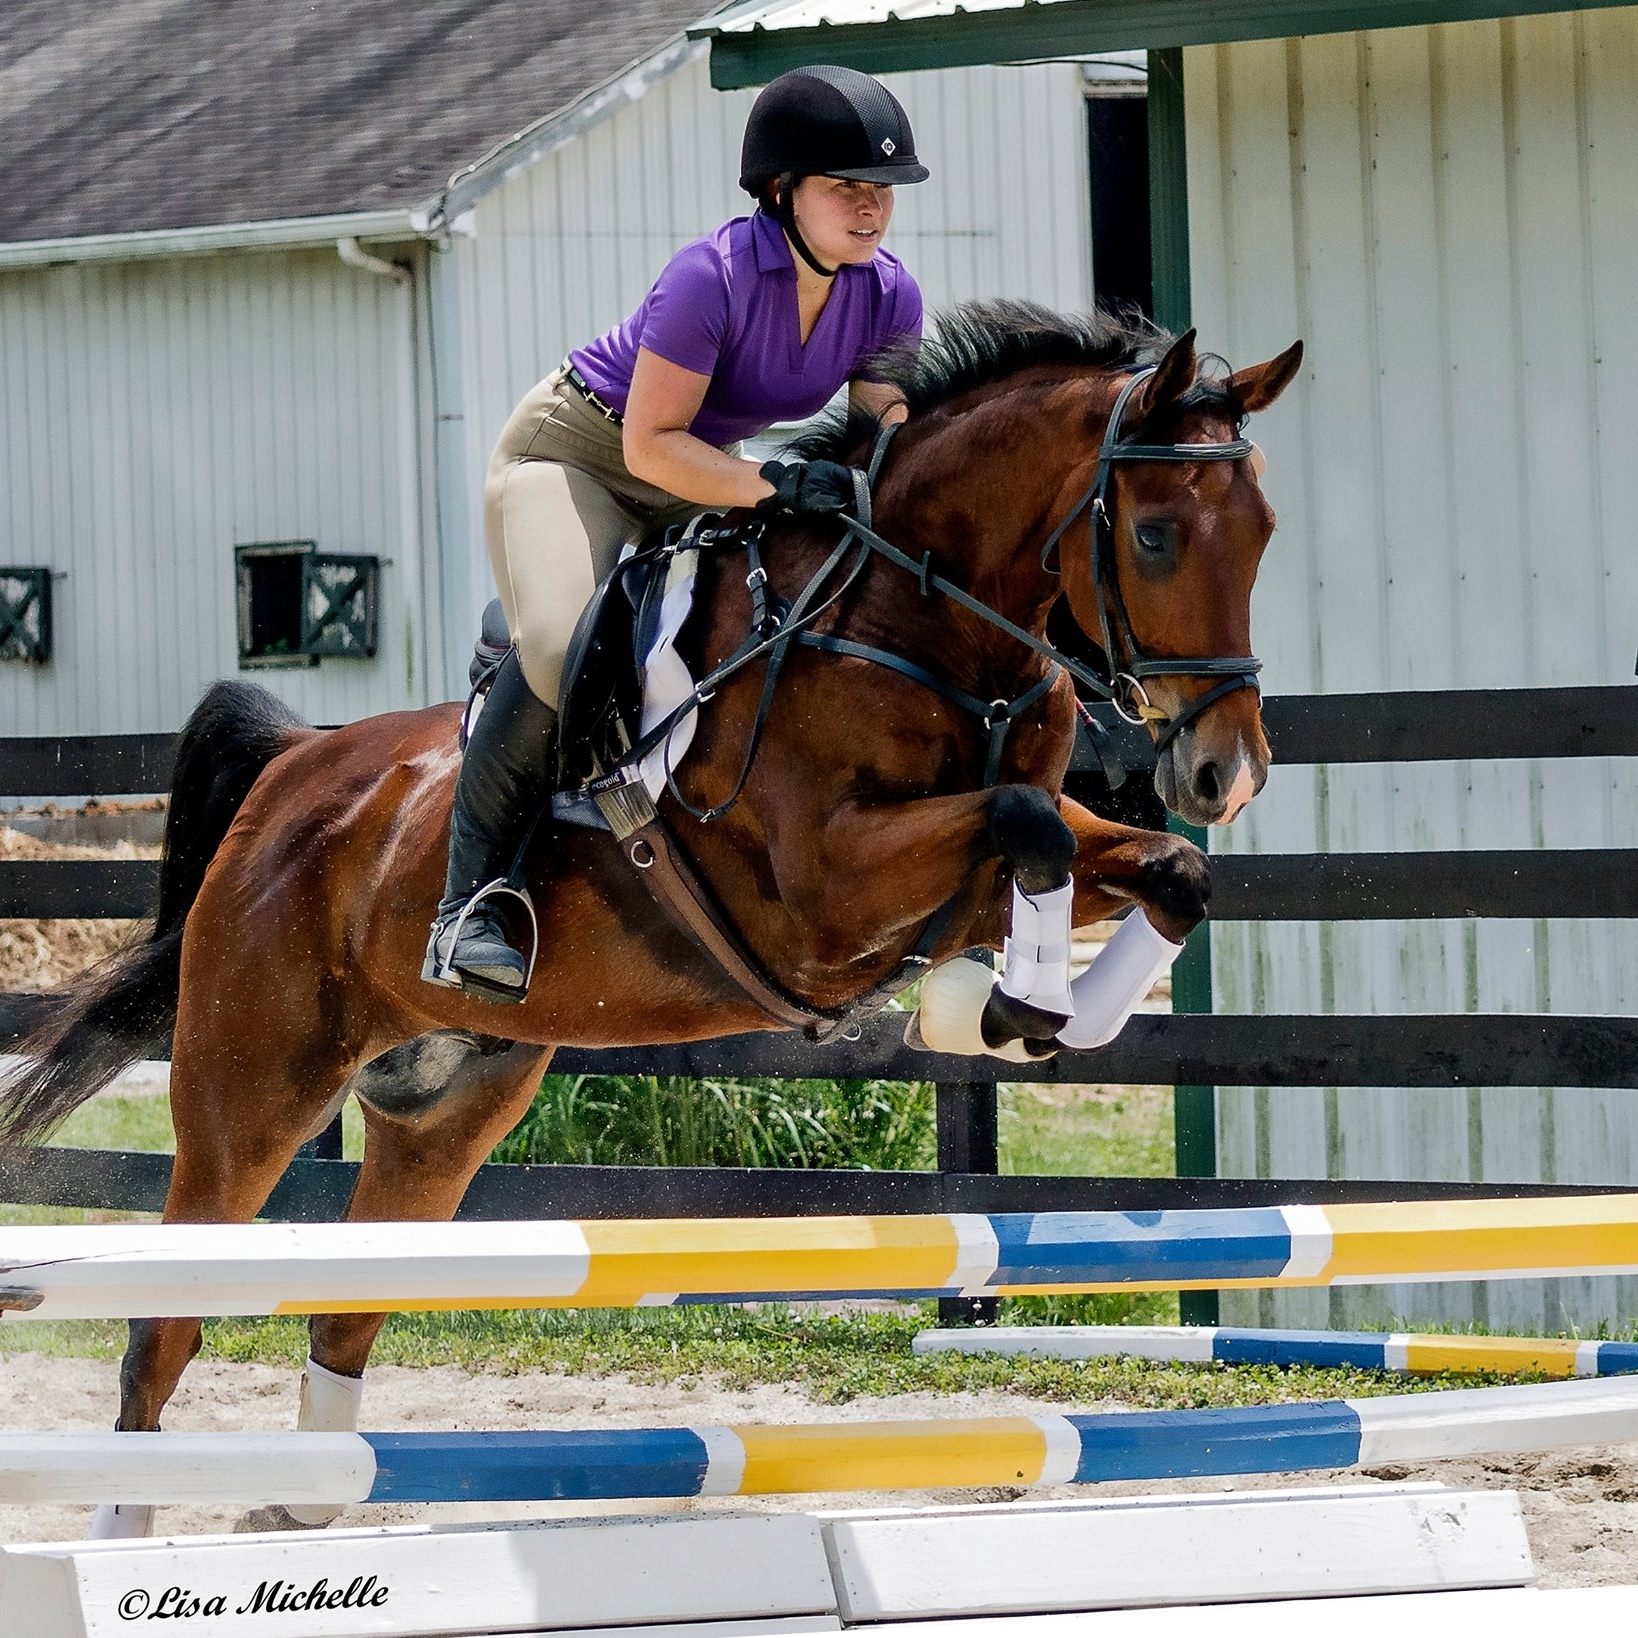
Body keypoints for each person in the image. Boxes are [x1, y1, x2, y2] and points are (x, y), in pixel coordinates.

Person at [423, 64, 930, 1000]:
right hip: (579, 455)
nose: (871, 208)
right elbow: (648, 446)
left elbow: (882, 428)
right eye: (845, 187)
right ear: (781, 192)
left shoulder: (888, 294)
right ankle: (470, 904)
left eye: (881, 190)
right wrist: (776, 480)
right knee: (558, 644)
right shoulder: (712, 276)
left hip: (705, 473)